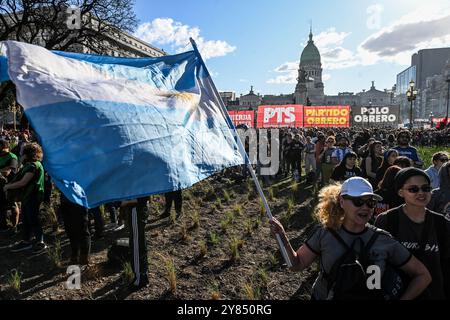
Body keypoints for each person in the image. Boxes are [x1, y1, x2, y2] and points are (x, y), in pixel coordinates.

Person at [270, 177, 431, 300]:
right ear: (341, 201)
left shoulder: (383, 240)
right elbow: (296, 265)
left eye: (370, 202)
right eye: (358, 201)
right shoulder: (325, 233)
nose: (365, 207)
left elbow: (423, 275)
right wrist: (282, 238)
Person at [375, 168, 450, 299]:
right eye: (413, 189)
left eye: (426, 188)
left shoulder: (442, 223)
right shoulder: (387, 220)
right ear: (400, 192)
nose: (421, 193)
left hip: (434, 294)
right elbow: (375, 261)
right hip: (396, 294)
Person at [5, 143, 46, 253]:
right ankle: (26, 241)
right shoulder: (32, 164)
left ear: (27, 154)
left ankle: (40, 243)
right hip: (28, 196)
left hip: (32, 196)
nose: (20, 154)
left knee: (33, 219)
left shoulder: (33, 166)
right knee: (26, 219)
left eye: (22, 153)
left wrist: (8, 186)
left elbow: (23, 182)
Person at [121, 197, 150, 289]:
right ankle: (143, 274)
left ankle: (139, 279)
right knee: (140, 242)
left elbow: (143, 198)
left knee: (136, 245)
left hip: (136, 211)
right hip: (139, 210)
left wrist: (125, 202)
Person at [60, 192, 91, 265]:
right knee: (70, 230)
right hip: (65, 200)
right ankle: (75, 256)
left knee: (82, 230)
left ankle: (84, 259)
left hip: (79, 199)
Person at [0, 139, 19, 233]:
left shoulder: (12, 156)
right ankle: (4, 226)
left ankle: (14, 226)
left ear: (5, 147)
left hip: (11, 186)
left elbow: (7, 172)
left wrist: (3, 171)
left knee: (12, 206)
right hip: (1, 185)